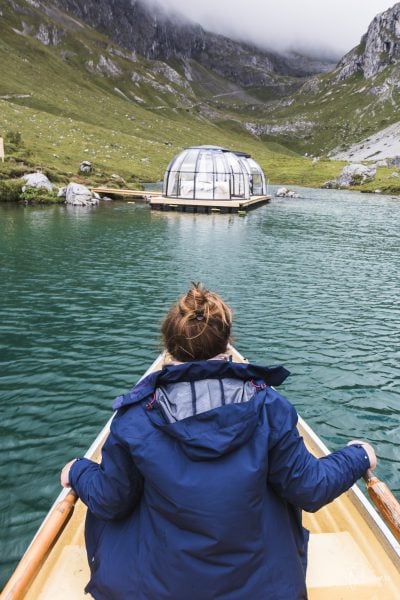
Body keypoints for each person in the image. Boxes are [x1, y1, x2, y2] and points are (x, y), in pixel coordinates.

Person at [61, 283, 376, 600]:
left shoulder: (135, 419)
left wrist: (78, 471)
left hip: (161, 590)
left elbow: (111, 501)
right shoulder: (269, 408)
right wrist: (358, 456)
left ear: (169, 353)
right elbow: (309, 488)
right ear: (227, 349)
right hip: (264, 591)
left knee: (108, 510)